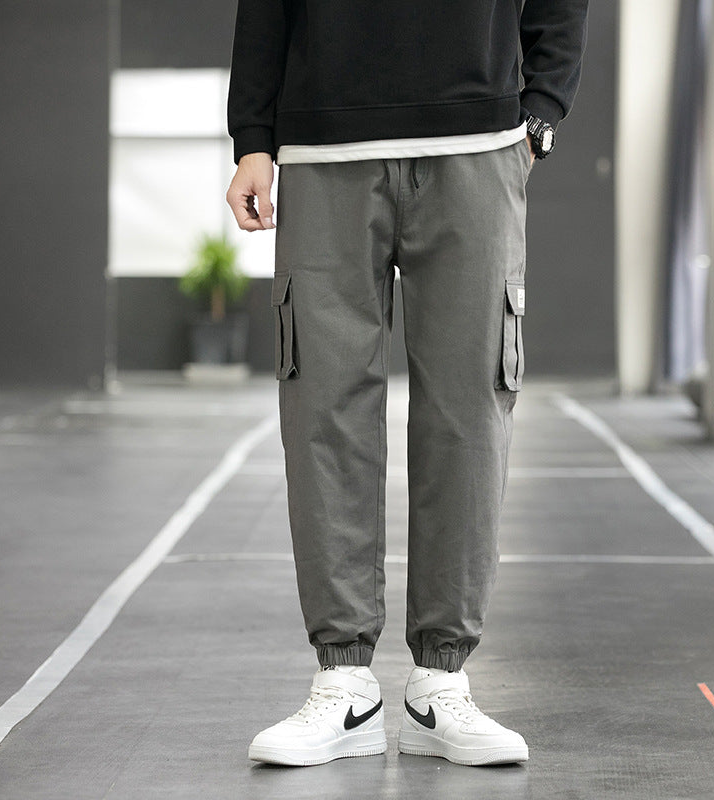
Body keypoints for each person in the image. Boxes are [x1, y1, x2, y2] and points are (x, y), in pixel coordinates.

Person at [226, 0, 588, 768]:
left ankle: (439, 684)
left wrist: (542, 112)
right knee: (323, 409)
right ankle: (344, 684)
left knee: (468, 411)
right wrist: (252, 136)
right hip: (323, 143)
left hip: (477, 140)